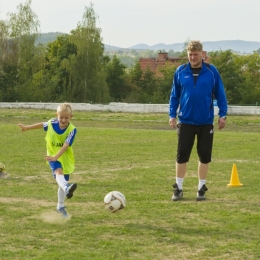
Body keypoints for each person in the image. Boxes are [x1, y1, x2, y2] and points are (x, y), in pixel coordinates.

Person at [169, 40, 228, 201]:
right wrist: (172, 114)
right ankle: (178, 188)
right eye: (190, 55)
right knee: (182, 156)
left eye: (196, 54)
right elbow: (174, 95)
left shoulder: (211, 72)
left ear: (202, 54)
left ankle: (201, 188)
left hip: (205, 121)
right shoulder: (180, 71)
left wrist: (223, 115)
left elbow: (220, 94)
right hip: (186, 121)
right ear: (187, 55)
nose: (193, 58)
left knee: (204, 156)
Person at [18, 103, 77, 217]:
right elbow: (42, 125)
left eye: (66, 118)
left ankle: (60, 206)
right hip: (51, 156)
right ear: (57, 115)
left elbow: (65, 145)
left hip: (64, 157)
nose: (63, 120)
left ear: (71, 117)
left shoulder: (72, 130)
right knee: (59, 173)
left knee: (61, 181)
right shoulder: (52, 123)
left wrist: (57, 156)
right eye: (61, 117)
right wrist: (27, 128)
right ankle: (66, 188)